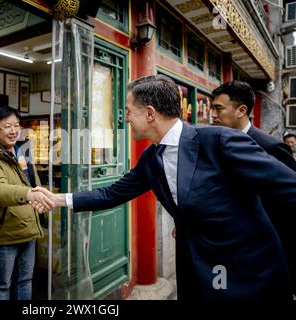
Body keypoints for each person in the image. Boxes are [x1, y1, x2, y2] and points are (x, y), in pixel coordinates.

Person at [33, 75, 296, 300]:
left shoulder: (219, 141)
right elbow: (112, 193)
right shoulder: (151, 159)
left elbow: (287, 188)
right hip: (197, 271)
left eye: (128, 110)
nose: (124, 119)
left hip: (249, 273)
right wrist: (57, 199)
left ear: (149, 113)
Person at [211, 80, 296, 294]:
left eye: (218, 108)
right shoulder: (214, 145)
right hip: (229, 248)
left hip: (266, 250)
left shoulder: (270, 147)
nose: (212, 115)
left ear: (241, 110)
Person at [0, 106, 54, 300]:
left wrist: (39, 197)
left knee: (25, 280)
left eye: (17, 125)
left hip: (28, 228)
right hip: (5, 232)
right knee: (2, 286)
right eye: (7, 126)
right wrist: (29, 194)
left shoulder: (20, 150)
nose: (14, 130)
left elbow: (31, 181)